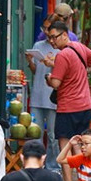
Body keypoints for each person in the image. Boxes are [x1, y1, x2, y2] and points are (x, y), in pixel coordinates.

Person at [45, 20, 91, 181]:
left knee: (66, 147)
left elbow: (55, 83)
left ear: (64, 35)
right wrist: (84, 73)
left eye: (54, 37)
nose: (52, 41)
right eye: (49, 38)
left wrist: (48, 76)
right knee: (80, 145)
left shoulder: (62, 55)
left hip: (68, 107)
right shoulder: (79, 47)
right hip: (85, 105)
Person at [27, 16, 61, 172]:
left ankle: (53, 166)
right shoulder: (38, 45)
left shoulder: (61, 48)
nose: (46, 32)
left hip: (53, 97)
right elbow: (35, 71)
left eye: (49, 29)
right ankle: (37, 164)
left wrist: (52, 63)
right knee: (36, 134)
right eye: (44, 28)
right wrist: (30, 61)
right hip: (38, 94)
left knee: (54, 136)